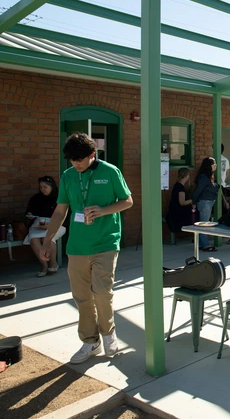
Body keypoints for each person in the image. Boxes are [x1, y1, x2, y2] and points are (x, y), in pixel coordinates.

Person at [40, 133, 133, 365]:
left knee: (102, 292)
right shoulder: (68, 176)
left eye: (80, 159)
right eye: (72, 160)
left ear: (93, 154)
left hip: (106, 242)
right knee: (81, 297)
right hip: (77, 246)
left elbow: (127, 201)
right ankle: (90, 342)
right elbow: (61, 211)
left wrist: (103, 210)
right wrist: (48, 240)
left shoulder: (111, 172)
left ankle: (109, 333)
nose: (76, 164)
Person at [24, 176, 66, 277]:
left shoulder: (59, 197)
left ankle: (53, 263)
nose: (43, 189)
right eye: (41, 187)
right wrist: (29, 216)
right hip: (38, 223)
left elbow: (64, 215)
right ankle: (44, 265)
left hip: (57, 223)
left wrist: (51, 225)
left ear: (52, 186)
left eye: (45, 187)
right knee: (33, 239)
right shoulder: (36, 198)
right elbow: (29, 212)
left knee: (47, 238)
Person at [192, 157, 220, 252]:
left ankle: (201, 243)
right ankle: (205, 244)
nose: (215, 165)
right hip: (205, 202)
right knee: (203, 224)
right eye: (213, 164)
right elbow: (198, 190)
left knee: (203, 223)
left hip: (208, 201)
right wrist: (194, 202)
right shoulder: (203, 177)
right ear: (209, 166)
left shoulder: (209, 176)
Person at [165, 167, 194, 235]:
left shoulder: (178, 185)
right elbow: (182, 202)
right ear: (186, 176)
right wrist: (191, 201)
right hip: (177, 212)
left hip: (175, 210)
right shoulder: (180, 187)